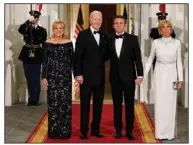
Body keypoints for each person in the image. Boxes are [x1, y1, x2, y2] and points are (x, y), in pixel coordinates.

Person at [144, 20, 183, 140]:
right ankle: (160, 133)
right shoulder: (155, 42)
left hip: (172, 74)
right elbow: (150, 59)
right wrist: (142, 75)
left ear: (171, 29)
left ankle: (169, 134)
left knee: (170, 104)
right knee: (160, 103)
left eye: (168, 27)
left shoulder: (177, 43)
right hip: (159, 73)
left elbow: (179, 62)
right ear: (160, 30)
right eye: (163, 27)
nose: (166, 29)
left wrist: (180, 80)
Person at [107, 15, 143, 140]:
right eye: (116, 23)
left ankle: (129, 131)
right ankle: (118, 130)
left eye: (121, 23)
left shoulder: (133, 39)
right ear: (113, 25)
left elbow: (138, 58)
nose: (118, 25)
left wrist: (140, 75)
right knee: (116, 106)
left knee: (129, 105)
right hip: (115, 78)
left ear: (125, 24)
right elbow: (103, 56)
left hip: (129, 77)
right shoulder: (109, 38)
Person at [74, 10, 108, 139]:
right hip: (85, 77)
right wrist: (78, 74)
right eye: (95, 19)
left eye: (99, 19)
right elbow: (77, 57)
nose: (97, 21)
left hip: (100, 77)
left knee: (98, 105)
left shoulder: (105, 36)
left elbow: (106, 56)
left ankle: (95, 130)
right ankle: (84, 131)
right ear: (90, 20)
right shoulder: (82, 35)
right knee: (85, 105)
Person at [41, 20, 73, 139]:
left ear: (64, 30)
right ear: (53, 29)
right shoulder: (47, 43)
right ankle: (54, 131)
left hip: (65, 77)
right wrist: (44, 76)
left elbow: (72, 61)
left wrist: (76, 75)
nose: (58, 30)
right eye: (56, 28)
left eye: (61, 28)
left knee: (65, 103)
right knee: (53, 104)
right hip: (52, 76)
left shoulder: (69, 42)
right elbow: (44, 61)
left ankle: (65, 131)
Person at [18, 10, 47, 106]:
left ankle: (34, 99)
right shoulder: (26, 28)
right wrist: (28, 22)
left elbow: (44, 44)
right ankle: (32, 97)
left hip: (37, 54)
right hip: (26, 54)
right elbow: (20, 29)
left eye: (36, 18)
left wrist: (45, 56)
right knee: (28, 77)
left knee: (35, 77)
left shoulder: (42, 30)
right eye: (33, 17)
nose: (35, 19)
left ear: (38, 19)